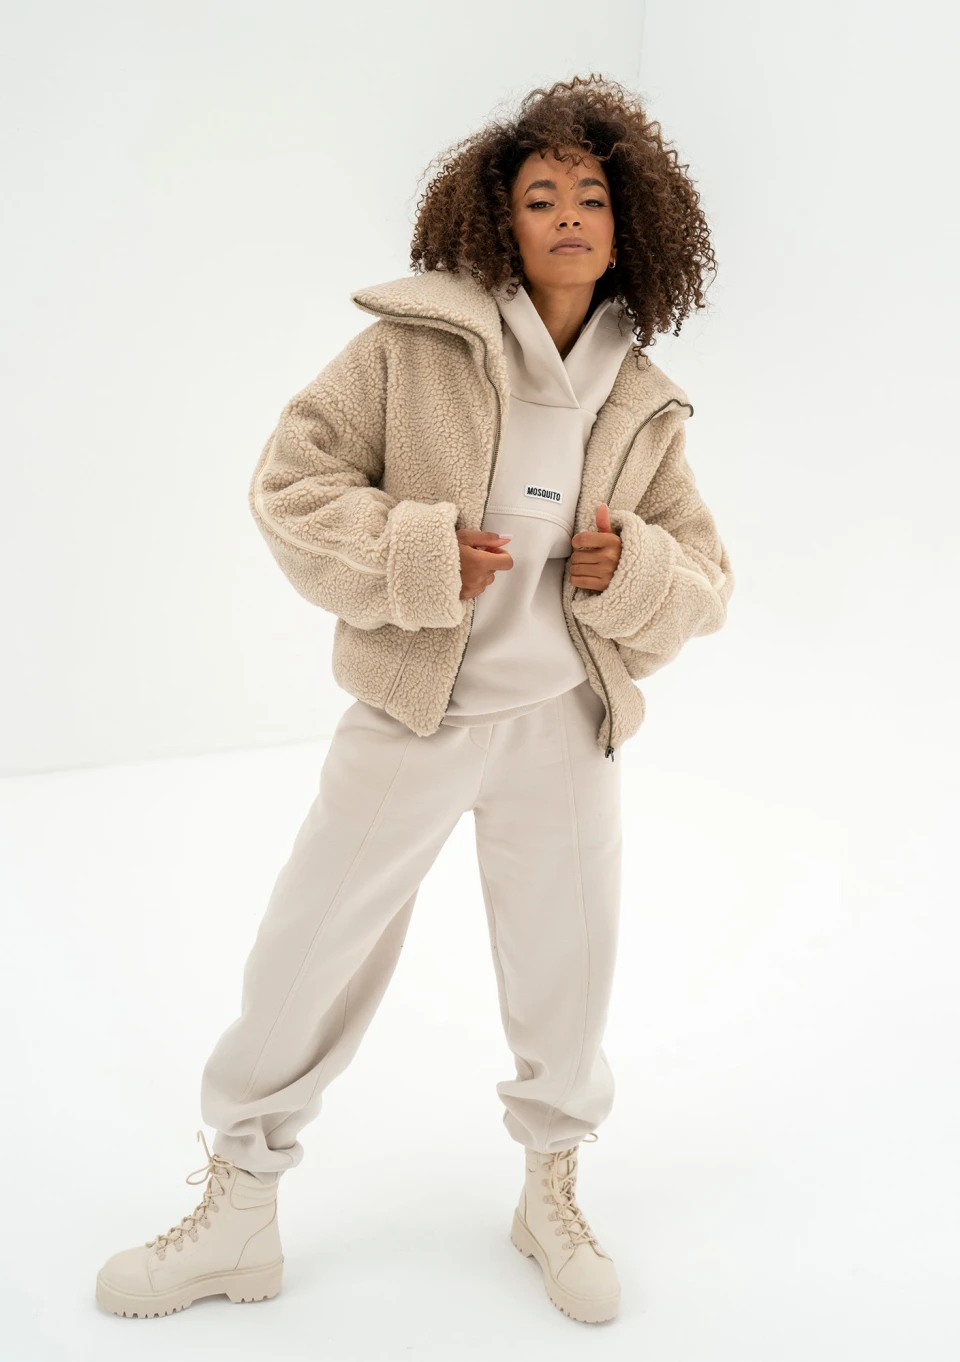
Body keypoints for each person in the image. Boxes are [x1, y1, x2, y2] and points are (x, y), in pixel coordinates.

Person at [95, 73, 735, 1326]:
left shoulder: (643, 398)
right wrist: (417, 552)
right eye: (539, 196)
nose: (567, 215)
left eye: (590, 196)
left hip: (565, 726)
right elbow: (291, 481)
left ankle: (549, 1191)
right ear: (497, 218)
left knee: (570, 970)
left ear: (628, 225)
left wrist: (634, 569)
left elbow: (706, 576)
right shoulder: (412, 344)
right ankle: (238, 1207)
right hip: (415, 711)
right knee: (309, 948)